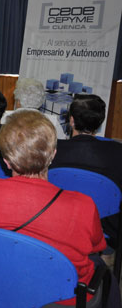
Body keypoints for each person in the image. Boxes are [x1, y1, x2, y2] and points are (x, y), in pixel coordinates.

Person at [0, 110, 119, 308]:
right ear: (53, 154)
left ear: (5, 160)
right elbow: (97, 247)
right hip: (64, 298)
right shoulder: (83, 205)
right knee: (104, 271)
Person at [51, 94, 122, 243]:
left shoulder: (51, 149)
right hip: (103, 230)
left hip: (56, 222)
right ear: (100, 122)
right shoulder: (117, 151)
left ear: (71, 120)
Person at [1, 78, 66, 139]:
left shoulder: (4, 117)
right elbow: (62, 144)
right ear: (41, 100)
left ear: (18, 101)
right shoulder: (53, 122)